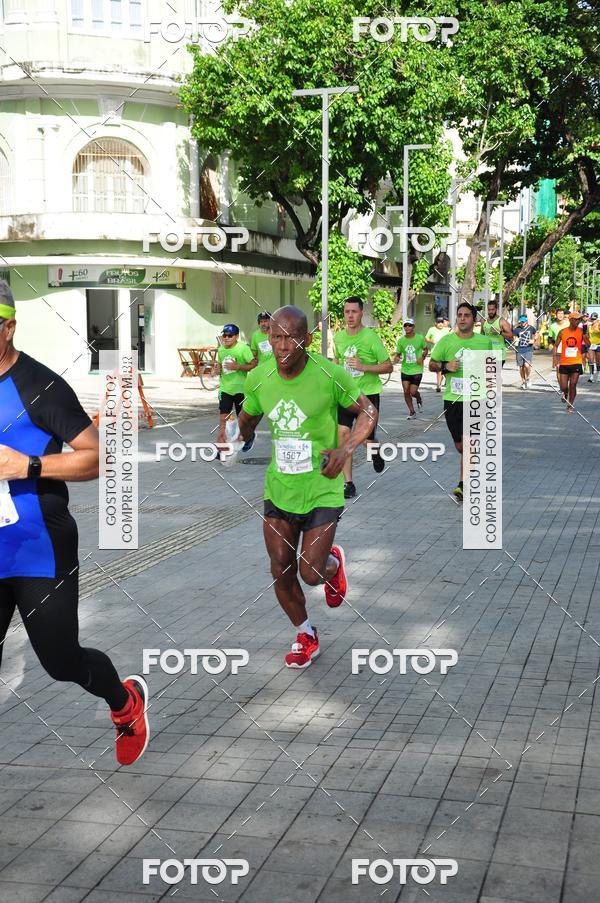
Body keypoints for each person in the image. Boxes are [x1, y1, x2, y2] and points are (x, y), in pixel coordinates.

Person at [0, 284, 148, 766]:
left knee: (60, 661)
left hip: (38, 549)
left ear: (8, 328)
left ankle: (124, 701)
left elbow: (98, 457)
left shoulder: (39, 386)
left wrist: (28, 466)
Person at [238, 306, 378, 669]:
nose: (283, 346)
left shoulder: (329, 374)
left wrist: (346, 449)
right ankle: (305, 633)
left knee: (310, 573)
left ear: (308, 339)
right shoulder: (260, 377)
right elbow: (248, 417)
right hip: (280, 489)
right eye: (276, 337)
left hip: (322, 487)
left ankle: (333, 564)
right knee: (280, 567)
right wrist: (238, 432)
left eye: (291, 338)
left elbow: (368, 412)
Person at [429, 302, 494, 499]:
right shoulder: (446, 341)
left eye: (467, 315)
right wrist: (445, 366)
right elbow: (431, 364)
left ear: (474, 319)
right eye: (460, 315)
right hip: (452, 400)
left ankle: (463, 485)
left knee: (469, 443)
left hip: (476, 400)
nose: (462, 318)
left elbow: (490, 368)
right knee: (461, 445)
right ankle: (471, 464)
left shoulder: (484, 342)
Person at [332, 296, 392, 499]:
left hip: (368, 396)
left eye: (354, 312)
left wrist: (363, 366)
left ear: (361, 313)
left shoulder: (370, 337)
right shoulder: (339, 337)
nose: (350, 316)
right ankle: (348, 483)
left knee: (366, 439)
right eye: (347, 312)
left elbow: (388, 366)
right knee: (343, 435)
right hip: (346, 395)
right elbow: (337, 362)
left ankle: (375, 451)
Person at [215, 323, 256, 449]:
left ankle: (249, 437)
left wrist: (238, 366)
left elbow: (253, 364)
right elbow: (219, 365)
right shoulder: (221, 350)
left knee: (242, 420)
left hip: (241, 389)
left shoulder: (243, 348)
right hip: (225, 389)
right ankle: (221, 448)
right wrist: (216, 370)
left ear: (237, 336)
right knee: (223, 419)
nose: (226, 338)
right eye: (224, 335)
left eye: (230, 336)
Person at [394, 318, 428, 418]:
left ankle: (418, 397)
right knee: (406, 391)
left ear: (413, 327)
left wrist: (422, 357)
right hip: (405, 369)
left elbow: (426, 349)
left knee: (412, 392)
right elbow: (398, 354)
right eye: (405, 325)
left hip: (417, 369)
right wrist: (396, 358)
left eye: (409, 325)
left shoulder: (420, 338)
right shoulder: (401, 340)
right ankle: (412, 411)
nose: (407, 327)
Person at [554, 310, 585, 413]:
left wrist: (585, 336)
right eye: (576, 319)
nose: (578, 321)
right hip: (564, 362)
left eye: (579, 320)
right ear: (571, 320)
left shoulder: (582, 331)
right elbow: (555, 345)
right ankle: (565, 393)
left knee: (573, 384)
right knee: (563, 387)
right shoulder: (562, 332)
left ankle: (570, 405)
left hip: (576, 361)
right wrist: (555, 358)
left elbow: (588, 345)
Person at [481, 298, 512, 367]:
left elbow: (511, 336)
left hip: (499, 354)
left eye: (492, 310)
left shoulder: (502, 321)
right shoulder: (484, 321)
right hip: (488, 353)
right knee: (488, 373)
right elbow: (482, 335)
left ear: (496, 310)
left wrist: (500, 332)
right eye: (489, 310)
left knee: (494, 373)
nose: (490, 312)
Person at [425, 316, 451, 392]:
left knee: (445, 370)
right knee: (438, 370)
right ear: (435, 323)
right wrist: (431, 340)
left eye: (442, 322)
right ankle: (439, 385)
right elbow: (426, 338)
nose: (440, 324)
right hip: (435, 352)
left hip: (446, 352)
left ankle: (442, 385)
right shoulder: (432, 329)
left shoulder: (447, 330)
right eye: (438, 322)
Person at [513, 314, 538, 389]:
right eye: (521, 322)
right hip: (519, 350)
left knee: (527, 365)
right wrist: (516, 340)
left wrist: (534, 340)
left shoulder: (531, 328)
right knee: (521, 367)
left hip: (528, 349)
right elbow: (514, 339)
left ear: (526, 321)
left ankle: (528, 378)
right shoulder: (516, 329)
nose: (522, 323)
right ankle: (523, 382)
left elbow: (536, 334)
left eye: (523, 322)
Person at [548, 309, 570, 393]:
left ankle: (566, 385)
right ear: (556, 315)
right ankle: (562, 388)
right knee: (558, 368)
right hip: (558, 349)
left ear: (564, 315)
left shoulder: (568, 324)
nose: (560, 315)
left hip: (568, 349)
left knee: (567, 369)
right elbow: (550, 338)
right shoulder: (552, 326)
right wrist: (550, 344)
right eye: (558, 313)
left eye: (562, 313)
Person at [588, 313, 600, 382]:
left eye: (594, 319)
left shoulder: (599, 325)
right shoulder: (589, 326)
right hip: (591, 345)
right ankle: (591, 376)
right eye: (592, 319)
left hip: (598, 345)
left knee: (598, 362)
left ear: (597, 319)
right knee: (591, 360)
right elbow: (587, 335)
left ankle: (598, 375)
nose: (593, 321)